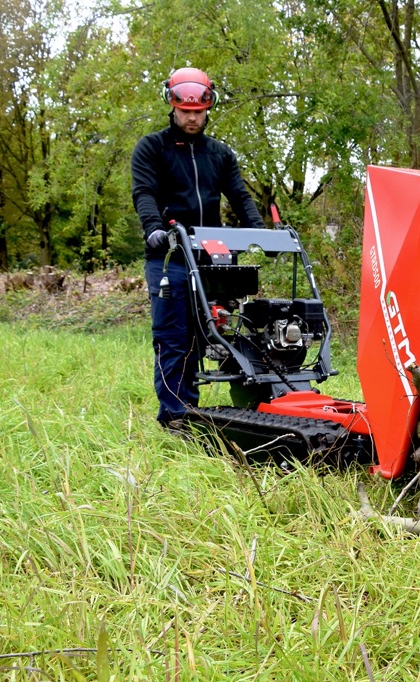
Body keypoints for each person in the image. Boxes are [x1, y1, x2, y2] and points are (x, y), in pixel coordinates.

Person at [131, 67, 265, 430]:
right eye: (185, 110)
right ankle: (176, 417)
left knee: (226, 329)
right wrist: (154, 229)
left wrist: (261, 234)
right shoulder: (152, 148)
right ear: (172, 106)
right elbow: (144, 193)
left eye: (198, 111)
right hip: (170, 255)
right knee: (175, 338)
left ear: (208, 107)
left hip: (212, 256)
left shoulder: (219, 154)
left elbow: (239, 195)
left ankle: (259, 401)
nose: (192, 117)